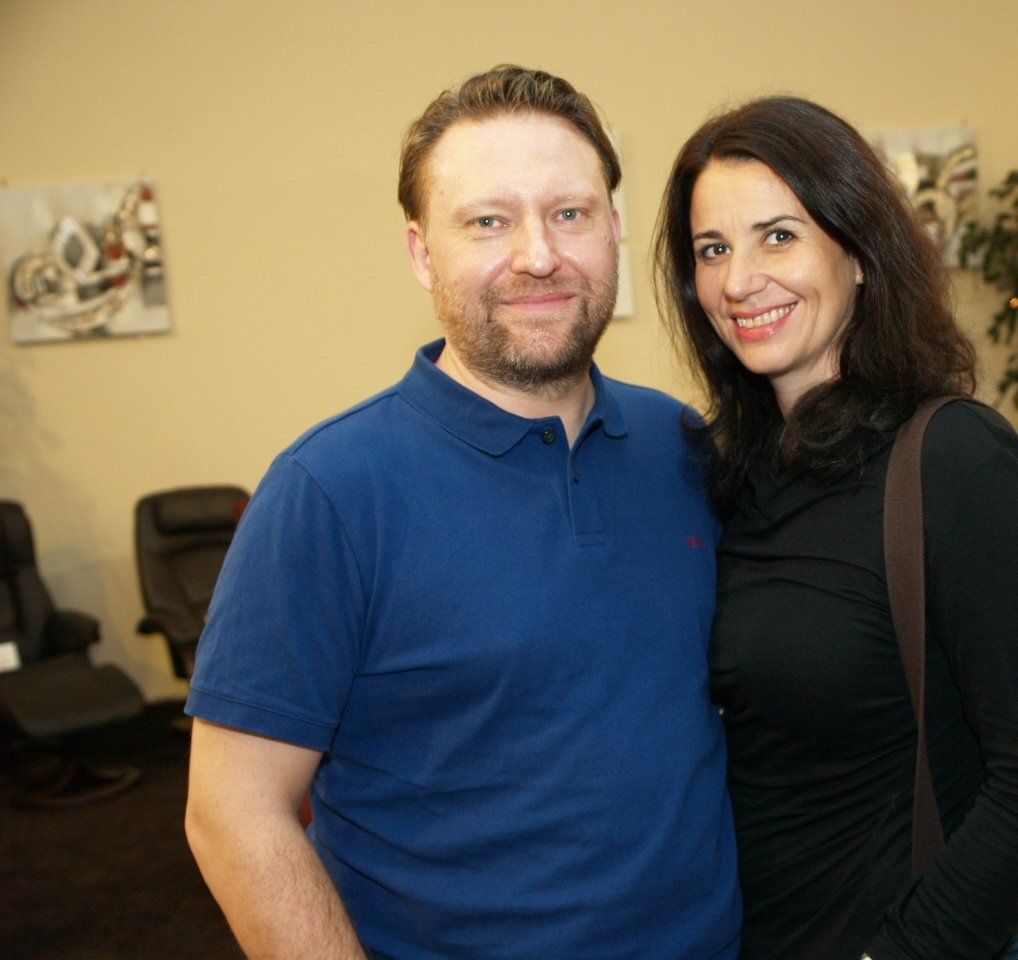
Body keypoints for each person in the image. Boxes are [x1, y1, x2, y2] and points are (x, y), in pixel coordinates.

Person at [184, 65, 740, 960]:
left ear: (613, 228)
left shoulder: (681, 447)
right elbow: (232, 814)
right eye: (488, 221)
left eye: (570, 213)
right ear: (421, 253)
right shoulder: (329, 493)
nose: (538, 255)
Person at [655, 96, 1018, 960]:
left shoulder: (958, 463)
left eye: (778, 236)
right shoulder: (730, 474)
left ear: (860, 253)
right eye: (712, 249)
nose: (738, 280)